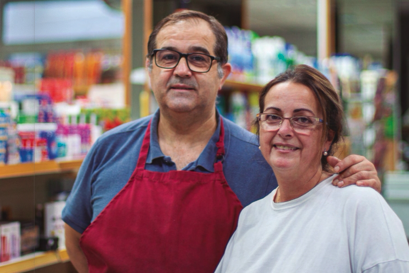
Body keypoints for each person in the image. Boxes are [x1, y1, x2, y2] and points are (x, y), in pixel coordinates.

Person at [62, 10, 382, 273]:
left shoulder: (264, 159)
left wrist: (353, 178)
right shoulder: (108, 148)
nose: (182, 70)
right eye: (168, 56)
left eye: (199, 59)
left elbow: (313, 219)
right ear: (149, 68)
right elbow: (76, 240)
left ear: (223, 74)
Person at [215, 65, 409, 273]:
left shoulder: (359, 206)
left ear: (327, 138)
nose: (284, 130)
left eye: (302, 120)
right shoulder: (251, 217)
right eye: (272, 117)